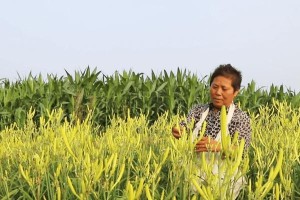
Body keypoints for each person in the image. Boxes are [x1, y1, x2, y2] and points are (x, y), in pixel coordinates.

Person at [172, 64, 251, 199]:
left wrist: (220, 147)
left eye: (224, 89)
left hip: (224, 180)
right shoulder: (198, 110)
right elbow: (185, 126)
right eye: (214, 87)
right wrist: (178, 130)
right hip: (192, 175)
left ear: (236, 92)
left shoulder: (241, 118)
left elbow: (241, 151)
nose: (218, 93)